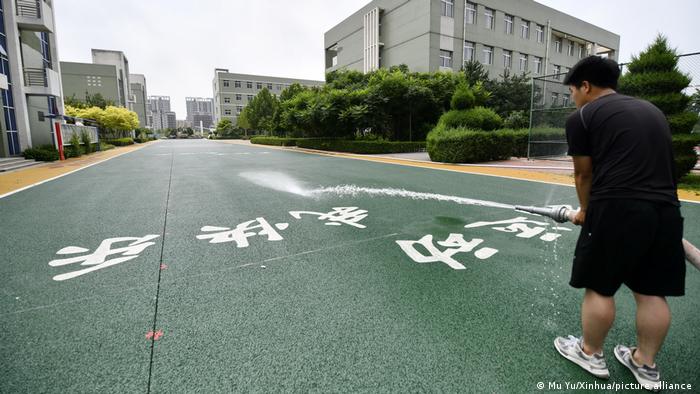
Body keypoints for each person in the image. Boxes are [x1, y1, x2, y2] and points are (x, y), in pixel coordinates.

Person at [552, 56, 685, 392]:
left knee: (599, 285)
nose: (572, 98)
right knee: (651, 291)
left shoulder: (583, 115)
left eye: (572, 91)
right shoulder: (653, 111)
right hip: (666, 209)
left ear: (585, 86)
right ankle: (645, 363)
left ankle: (590, 353)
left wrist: (585, 210)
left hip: (617, 208)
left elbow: (584, 173)